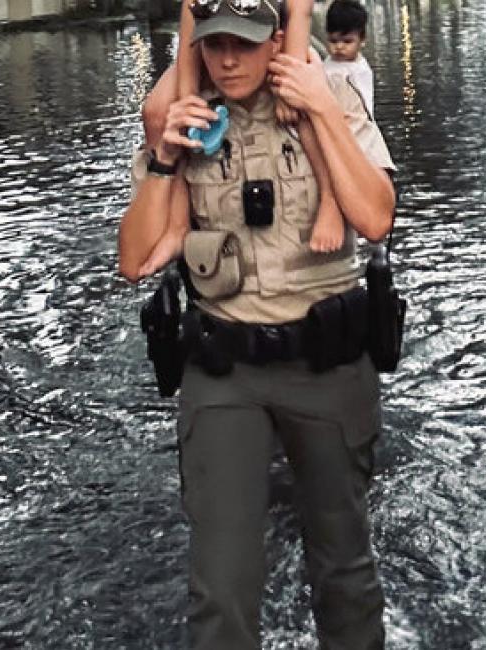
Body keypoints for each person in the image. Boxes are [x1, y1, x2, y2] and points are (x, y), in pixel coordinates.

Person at [117, 0, 396, 647]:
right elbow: (136, 260)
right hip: (224, 375)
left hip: (326, 366)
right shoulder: (185, 118)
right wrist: (163, 159)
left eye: (244, 43)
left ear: (274, 40)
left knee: (344, 569)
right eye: (215, 44)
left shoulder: (323, 97)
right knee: (219, 586)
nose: (228, 59)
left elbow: (376, 218)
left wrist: (324, 110)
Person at [137, 0, 348, 281]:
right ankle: (177, 226)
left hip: (274, 35)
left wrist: (290, 73)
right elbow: (190, 24)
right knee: (155, 113)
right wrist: (191, 104)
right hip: (213, 31)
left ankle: (330, 199)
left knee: (301, 105)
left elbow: (301, 10)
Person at [323, 0, 374, 116]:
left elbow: (365, 108)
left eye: (347, 41)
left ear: (362, 39)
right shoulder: (328, 61)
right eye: (333, 41)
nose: (339, 47)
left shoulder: (359, 71)